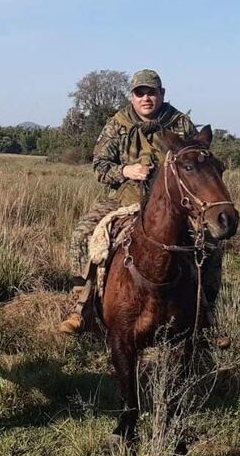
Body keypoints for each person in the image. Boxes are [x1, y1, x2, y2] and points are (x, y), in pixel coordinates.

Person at [58, 70, 224, 337]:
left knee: (212, 243)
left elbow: (200, 161)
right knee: (83, 235)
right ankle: (82, 306)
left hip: (175, 207)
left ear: (162, 94)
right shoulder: (117, 124)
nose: (146, 98)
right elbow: (100, 166)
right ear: (132, 96)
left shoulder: (180, 124)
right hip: (125, 199)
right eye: (140, 92)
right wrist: (126, 171)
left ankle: (207, 314)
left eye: (152, 92)